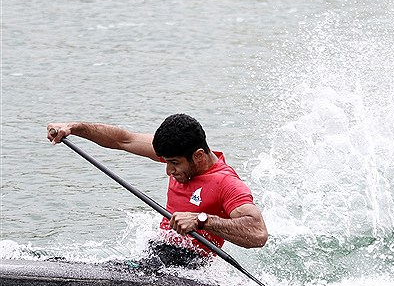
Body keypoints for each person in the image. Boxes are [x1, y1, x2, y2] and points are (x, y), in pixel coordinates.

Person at [47, 114, 268, 268]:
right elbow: (123, 139)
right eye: (165, 160)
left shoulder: (226, 182)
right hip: (157, 254)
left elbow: (258, 234)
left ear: (198, 156)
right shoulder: (179, 151)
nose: (168, 170)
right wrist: (74, 128)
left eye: (173, 163)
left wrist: (202, 220)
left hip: (190, 268)